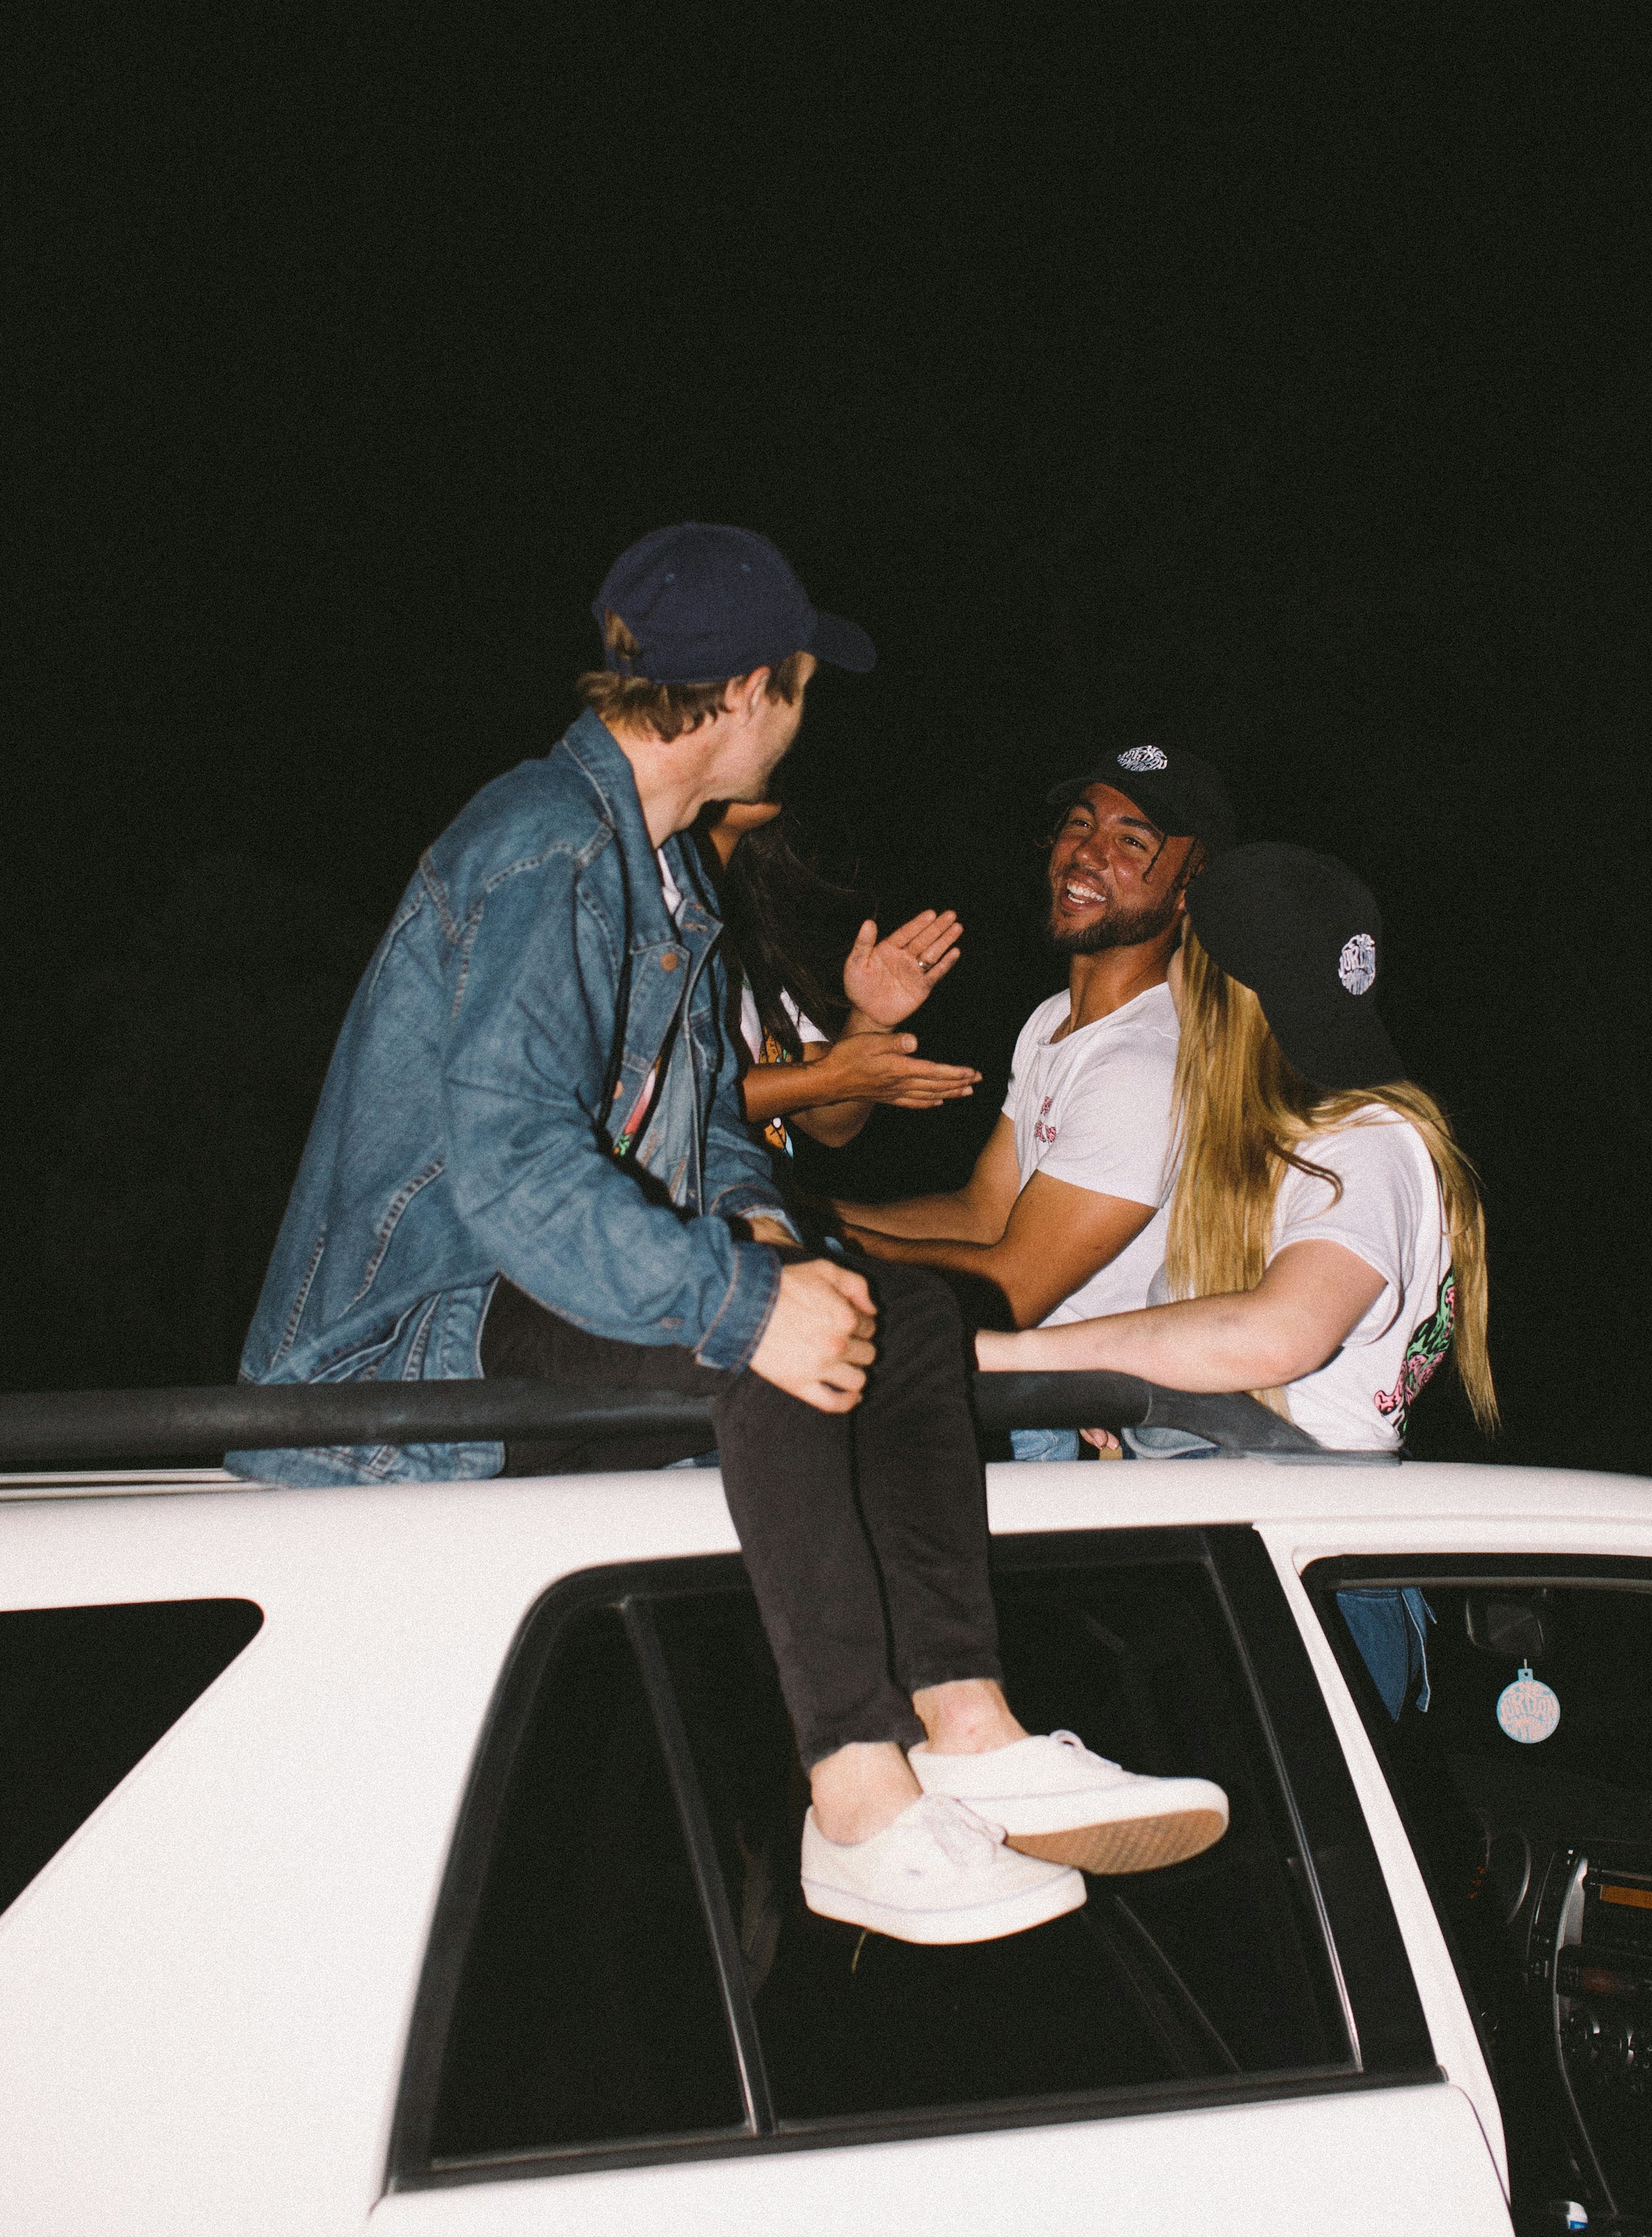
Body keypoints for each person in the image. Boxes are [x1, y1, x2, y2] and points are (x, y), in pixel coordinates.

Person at [230, 524, 1228, 1945]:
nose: (805, 722)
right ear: (754, 688)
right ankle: (857, 1799)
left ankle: (967, 1718)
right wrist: (750, 1304)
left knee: (912, 1317)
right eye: (807, 688)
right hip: (417, 1326)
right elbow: (511, 1169)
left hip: (542, 1291)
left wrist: (778, 1243)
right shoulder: (542, 850)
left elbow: (701, 1135)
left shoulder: (669, 883)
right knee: (760, 1340)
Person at [975, 841, 1499, 1467]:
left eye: (1186, 943)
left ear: (1211, 986)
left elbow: (1280, 1335)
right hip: (1234, 1490)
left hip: (1301, 1501)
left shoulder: (1368, 1140)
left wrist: (1006, 1354)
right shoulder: (1275, 1143)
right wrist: (1127, 1386)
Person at [836, 738, 1236, 1457]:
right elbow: (984, 1212)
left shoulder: (1146, 1061)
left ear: (1188, 888)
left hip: (1099, 1419)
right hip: (1037, 1393)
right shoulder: (1056, 1018)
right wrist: (796, 1214)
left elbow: (1012, 1289)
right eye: (1080, 824)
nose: (1086, 853)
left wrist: (808, 1244)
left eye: (1131, 841)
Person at [699, 796, 980, 1155]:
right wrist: (831, 1078)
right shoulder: (630, 907)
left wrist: (871, 1019)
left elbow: (828, 1124)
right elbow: (662, 1094)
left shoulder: (748, 933)